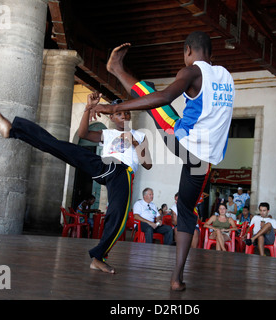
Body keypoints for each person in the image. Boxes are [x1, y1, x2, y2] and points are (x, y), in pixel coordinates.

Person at [91, 31, 234, 291]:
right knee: (187, 213)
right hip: (206, 159)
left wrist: (115, 108)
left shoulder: (191, 71)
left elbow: (165, 98)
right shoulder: (226, 77)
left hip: (183, 142)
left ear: (188, 51)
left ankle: (117, 68)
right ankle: (176, 279)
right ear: (211, 54)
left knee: (150, 94)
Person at [0, 92, 152, 274]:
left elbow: (147, 164)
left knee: (117, 217)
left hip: (123, 173)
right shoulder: (106, 134)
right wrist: (87, 108)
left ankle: (98, 258)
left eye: (126, 113)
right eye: (119, 113)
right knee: (60, 147)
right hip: (105, 166)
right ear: (111, 117)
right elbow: (83, 133)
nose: (123, 116)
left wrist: (134, 143)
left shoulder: (139, 136)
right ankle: (13, 130)